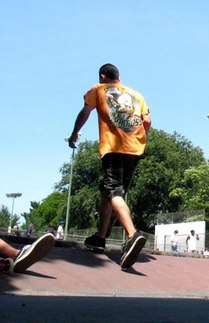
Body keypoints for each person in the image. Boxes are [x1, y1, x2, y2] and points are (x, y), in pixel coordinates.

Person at [68, 63, 151, 270]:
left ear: (103, 76)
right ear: (119, 76)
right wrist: (138, 138)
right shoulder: (136, 95)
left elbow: (85, 112)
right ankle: (100, 237)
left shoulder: (98, 89)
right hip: (135, 148)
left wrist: (73, 134)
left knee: (114, 192)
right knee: (108, 190)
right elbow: (147, 121)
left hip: (113, 148)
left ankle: (132, 236)